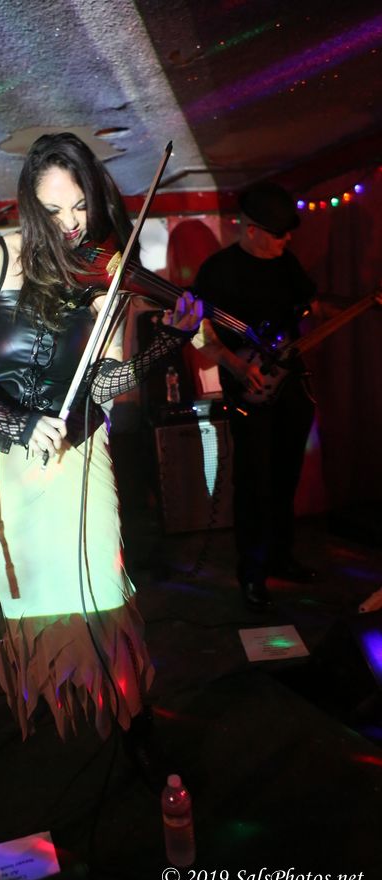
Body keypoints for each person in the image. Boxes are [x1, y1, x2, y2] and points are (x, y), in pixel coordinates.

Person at [0, 132, 202, 772]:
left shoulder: (105, 278)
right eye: (54, 211)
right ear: (29, 207)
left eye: (81, 207)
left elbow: (107, 383)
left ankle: (135, 724)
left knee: (102, 589)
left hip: (78, 455)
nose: (71, 225)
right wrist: (11, 420)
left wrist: (168, 343)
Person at [192, 182, 317, 611]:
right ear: (251, 230)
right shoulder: (218, 271)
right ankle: (252, 573)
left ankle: (282, 557)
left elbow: (310, 308)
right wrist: (236, 365)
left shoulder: (287, 264)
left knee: (286, 476)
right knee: (254, 481)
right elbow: (199, 334)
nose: (287, 238)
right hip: (249, 389)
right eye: (278, 233)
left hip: (291, 385)